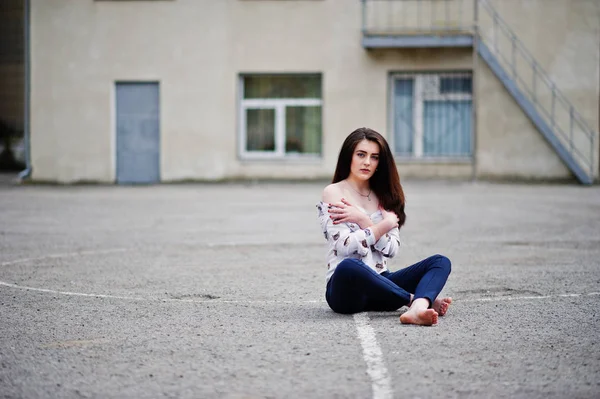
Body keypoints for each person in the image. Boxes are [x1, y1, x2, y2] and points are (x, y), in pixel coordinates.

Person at [316, 127, 452, 326]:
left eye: (374, 157)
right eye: (361, 154)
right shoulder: (334, 193)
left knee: (440, 262)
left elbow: (391, 249)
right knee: (349, 265)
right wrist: (383, 225)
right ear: (349, 156)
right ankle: (413, 300)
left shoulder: (385, 196)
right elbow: (345, 246)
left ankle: (419, 308)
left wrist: (364, 220)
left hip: (381, 287)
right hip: (346, 291)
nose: (367, 162)